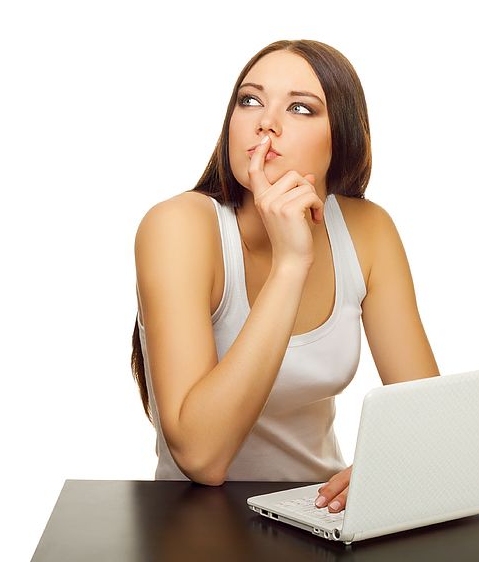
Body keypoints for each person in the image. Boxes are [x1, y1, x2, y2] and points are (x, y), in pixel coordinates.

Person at [131, 39, 440, 516]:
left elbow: (427, 421)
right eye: (250, 100)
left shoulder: (368, 230)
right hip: (193, 522)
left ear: (341, 139)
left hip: (318, 514)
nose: (265, 122)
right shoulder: (178, 227)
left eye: (300, 108)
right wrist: (291, 264)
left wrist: (390, 470)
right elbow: (201, 457)